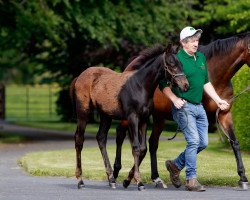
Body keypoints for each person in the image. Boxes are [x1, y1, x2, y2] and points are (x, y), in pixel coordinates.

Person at [158, 26, 229, 192]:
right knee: (194, 141)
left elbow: (206, 83)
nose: (196, 44)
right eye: (192, 41)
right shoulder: (176, 59)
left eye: (197, 40)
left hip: (199, 107)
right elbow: (162, 83)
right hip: (184, 107)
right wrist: (174, 99)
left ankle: (175, 165)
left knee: (203, 143)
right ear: (183, 43)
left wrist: (218, 100)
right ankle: (191, 180)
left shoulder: (201, 58)